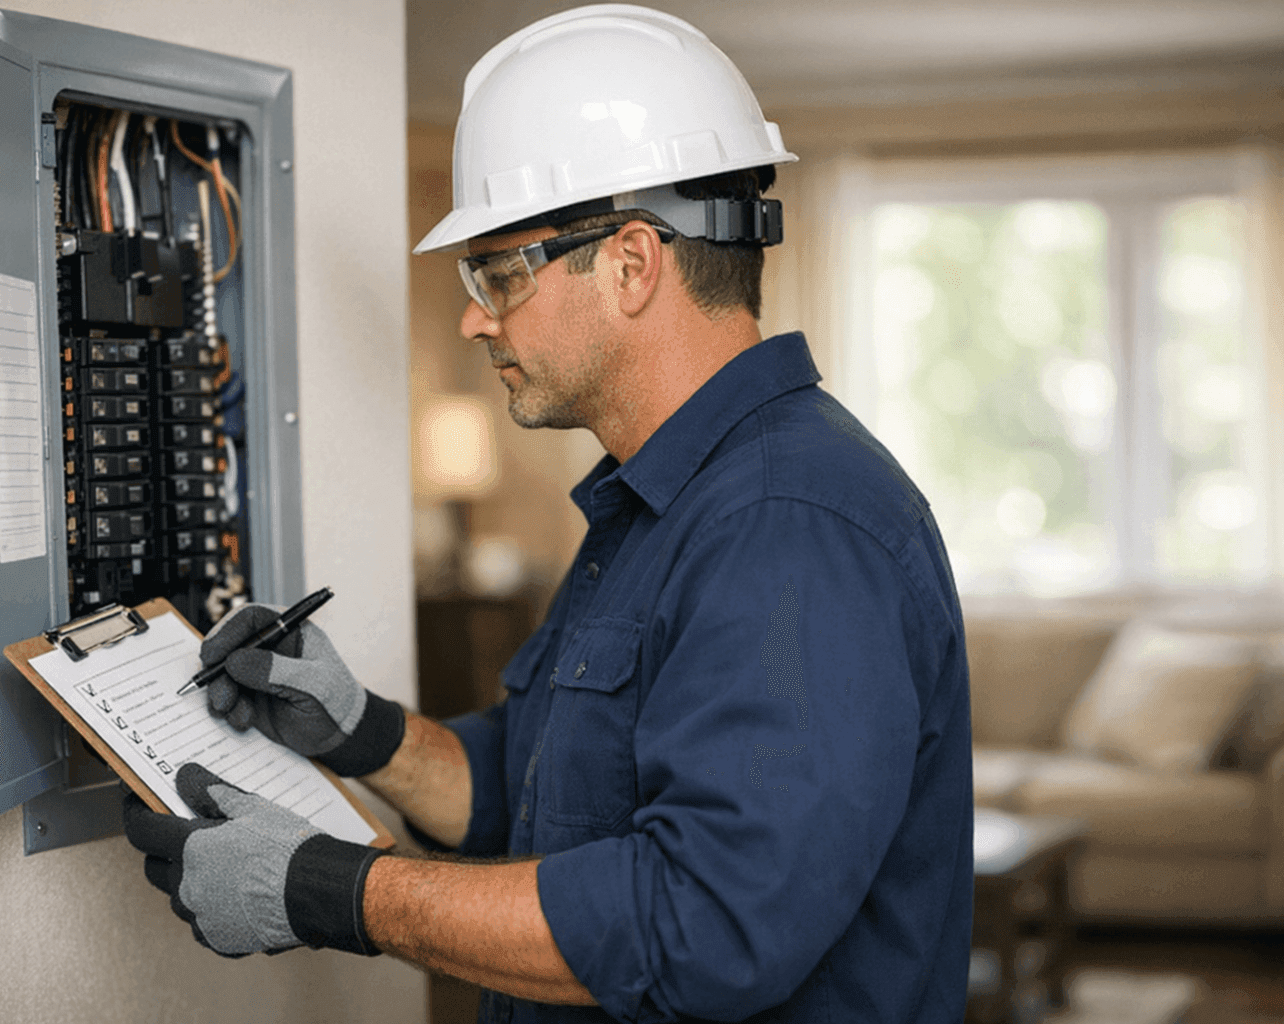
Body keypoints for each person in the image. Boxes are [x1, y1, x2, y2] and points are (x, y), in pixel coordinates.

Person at [123, 6, 974, 1022]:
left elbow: (704, 924)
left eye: (500, 271)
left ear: (629, 262)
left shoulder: (789, 522)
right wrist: (362, 731)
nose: (475, 315)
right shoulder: (662, 503)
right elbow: (542, 792)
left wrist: (333, 890)